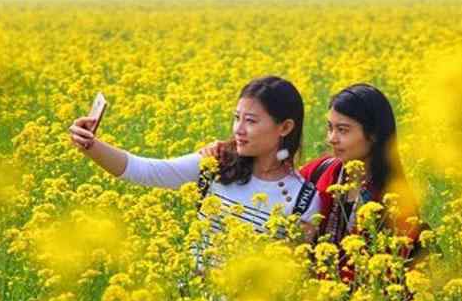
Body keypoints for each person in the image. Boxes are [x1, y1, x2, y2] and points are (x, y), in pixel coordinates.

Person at [68, 76, 320, 270]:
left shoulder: (304, 200)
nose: (238, 129)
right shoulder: (217, 163)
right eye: (236, 118)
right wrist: (91, 145)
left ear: (285, 127)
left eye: (251, 121)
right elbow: (145, 170)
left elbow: (289, 279)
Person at [202, 83, 428, 281]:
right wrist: (227, 152)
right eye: (330, 127)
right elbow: (273, 181)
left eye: (343, 130)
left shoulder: (397, 202)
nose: (332, 138)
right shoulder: (321, 170)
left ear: (374, 135)